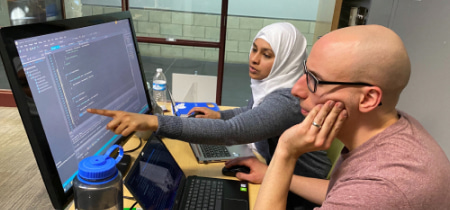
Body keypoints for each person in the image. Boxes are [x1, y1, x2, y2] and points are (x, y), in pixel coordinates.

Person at [88, 22, 331, 209]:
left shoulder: (287, 99)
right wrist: (219, 116)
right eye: (254, 49)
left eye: (267, 55)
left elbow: (234, 133)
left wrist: (154, 122)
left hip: (302, 195)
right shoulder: (272, 85)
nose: (254, 59)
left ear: (286, 60)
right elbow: (253, 114)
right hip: (279, 173)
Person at [254, 24, 450, 209]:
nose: (296, 90)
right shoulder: (397, 126)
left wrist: (286, 152)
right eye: (305, 72)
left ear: (368, 99)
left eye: (315, 80)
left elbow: (370, 194)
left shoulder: (385, 185)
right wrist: (270, 174)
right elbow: (346, 192)